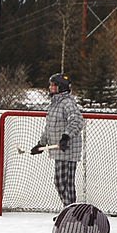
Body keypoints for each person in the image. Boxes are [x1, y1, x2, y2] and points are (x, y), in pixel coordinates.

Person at [31, 73, 83, 207]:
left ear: (61, 87)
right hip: (58, 149)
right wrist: (41, 144)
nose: (50, 87)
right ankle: (69, 210)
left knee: (65, 182)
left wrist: (66, 137)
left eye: (53, 85)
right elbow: (49, 127)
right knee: (61, 182)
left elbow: (77, 120)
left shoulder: (68, 103)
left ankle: (70, 211)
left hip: (68, 149)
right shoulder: (54, 104)